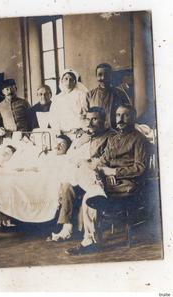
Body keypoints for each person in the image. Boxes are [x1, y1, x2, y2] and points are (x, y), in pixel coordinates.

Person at [66, 104, 148, 255]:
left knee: (88, 197)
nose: (120, 119)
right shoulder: (114, 138)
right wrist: (100, 170)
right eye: (117, 115)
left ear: (133, 118)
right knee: (84, 170)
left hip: (127, 183)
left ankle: (90, 241)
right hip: (108, 181)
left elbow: (140, 168)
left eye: (125, 115)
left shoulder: (139, 139)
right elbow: (104, 161)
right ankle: (97, 190)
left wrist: (114, 172)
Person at [49, 107, 114, 242]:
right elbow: (71, 155)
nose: (90, 123)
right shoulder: (85, 136)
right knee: (67, 186)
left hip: (99, 174)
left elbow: (109, 159)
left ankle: (90, 236)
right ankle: (67, 228)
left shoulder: (110, 136)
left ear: (104, 120)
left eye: (94, 119)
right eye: (88, 119)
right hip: (82, 173)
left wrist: (88, 162)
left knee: (78, 180)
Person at [85, 63, 130, 129]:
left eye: (106, 75)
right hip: (97, 132)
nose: (103, 78)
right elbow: (85, 116)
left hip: (116, 132)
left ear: (111, 76)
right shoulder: (90, 95)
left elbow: (128, 113)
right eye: (100, 75)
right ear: (96, 77)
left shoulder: (120, 93)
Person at [49, 69, 88, 136]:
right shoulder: (57, 98)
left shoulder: (81, 95)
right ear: (61, 80)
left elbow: (86, 113)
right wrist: (57, 130)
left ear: (75, 81)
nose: (68, 82)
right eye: (66, 79)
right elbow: (53, 117)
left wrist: (82, 128)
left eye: (71, 79)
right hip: (62, 132)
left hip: (78, 131)